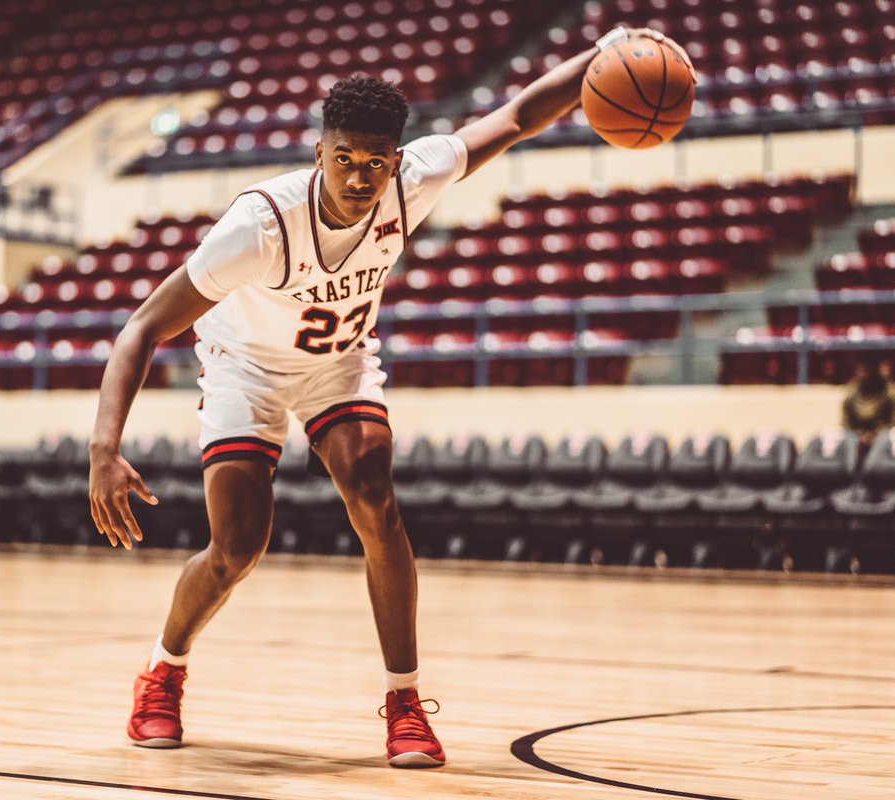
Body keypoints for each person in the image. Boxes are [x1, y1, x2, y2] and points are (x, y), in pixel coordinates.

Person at [89, 25, 665, 768]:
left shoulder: (415, 178)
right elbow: (141, 327)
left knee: (373, 491)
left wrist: (604, 53)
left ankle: (403, 700)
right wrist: (105, 448)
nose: (359, 177)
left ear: (394, 161)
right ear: (319, 154)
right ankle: (162, 672)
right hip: (247, 369)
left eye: (374, 164)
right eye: (344, 161)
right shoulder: (258, 227)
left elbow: (519, 115)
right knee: (236, 548)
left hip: (337, 364)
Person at [842, 357, 895, 449]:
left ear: (874, 372)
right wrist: (860, 435)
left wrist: (875, 435)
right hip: (857, 435)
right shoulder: (852, 391)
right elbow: (846, 423)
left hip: (883, 436)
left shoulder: (890, 391)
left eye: (866, 371)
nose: (862, 375)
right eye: (859, 371)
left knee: (875, 458)